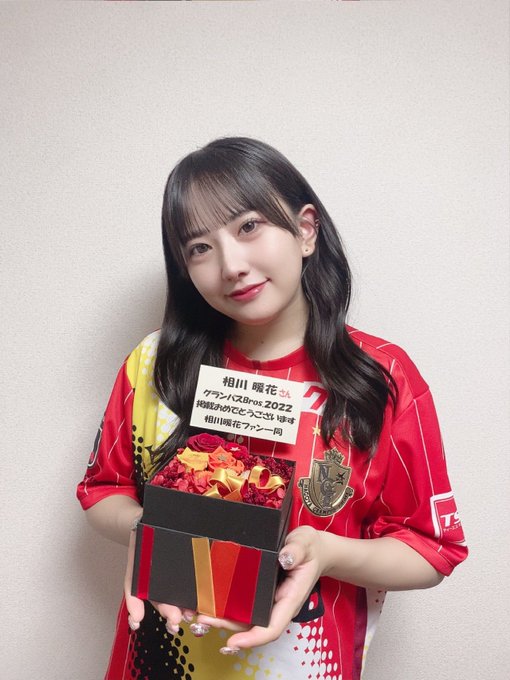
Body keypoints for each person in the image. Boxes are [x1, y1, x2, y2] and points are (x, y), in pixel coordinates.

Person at [77, 137, 467, 680]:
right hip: (159, 662)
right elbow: (102, 491)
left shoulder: (382, 378)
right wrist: (155, 533)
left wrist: (325, 552)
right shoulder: (153, 364)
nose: (231, 265)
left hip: (304, 665)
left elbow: (431, 549)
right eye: (199, 248)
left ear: (306, 230)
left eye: (249, 227)